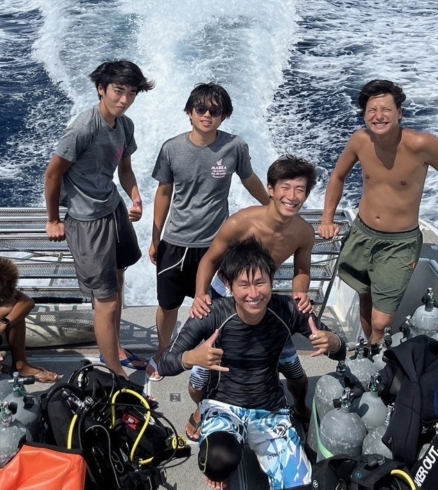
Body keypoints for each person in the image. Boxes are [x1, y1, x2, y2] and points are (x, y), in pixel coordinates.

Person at [156, 238, 346, 490]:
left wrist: (333, 342)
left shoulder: (289, 310)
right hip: (223, 407)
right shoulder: (212, 313)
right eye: (243, 285)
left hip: (270, 410)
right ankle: (219, 466)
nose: (254, 294)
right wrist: (191, 358)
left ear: (272, 279)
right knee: (218, 460)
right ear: (229, 285)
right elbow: (164, 364)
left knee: (299, 486)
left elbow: (341, 351)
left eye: (260, 282)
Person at [319, 79, 438, 348]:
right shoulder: (360, 140)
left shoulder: (423, 144)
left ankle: (375, 353)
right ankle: (371, 354)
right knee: (365, 297)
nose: (378, 116)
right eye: (372, 110)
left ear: (399, 113)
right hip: (362, 234)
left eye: (386, 109)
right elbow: (338, 176)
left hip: (399, 244)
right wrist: (327, 219)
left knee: (381, 322)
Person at [185, 155, 318, 439]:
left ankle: (300, 406)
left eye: (300, 189)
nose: (292, 196)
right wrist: (199, 295)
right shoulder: (241, 222)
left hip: (261, 296)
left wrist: (300, 292)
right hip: (223, 295)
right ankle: (201, 408)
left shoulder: (304, 232)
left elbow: (302, 270)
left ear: (306, 195)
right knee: (201, 372)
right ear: (270, 189)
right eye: (285, 187)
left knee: (293, 367)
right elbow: (209, 260)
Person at [146, 83, 270, 381]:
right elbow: (164, 193)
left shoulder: (235, 147)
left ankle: (212, 352)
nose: (207, 115)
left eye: (215, 111)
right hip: (176, 243)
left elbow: (249, 179)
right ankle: (163, 352)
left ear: (224, 116)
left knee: (214, 306)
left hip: (217, 245)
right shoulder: (172, 149)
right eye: (200, 109)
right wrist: (155, 239)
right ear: (189, 112)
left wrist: (272, 206)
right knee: (168, 305)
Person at [43, 60, 154, 378]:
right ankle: (115, 372)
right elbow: (52, 175)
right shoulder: (83, 128)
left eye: (131, 93)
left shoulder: (125, 126)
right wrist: (53, 220)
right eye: (118, 91)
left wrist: (135, 197)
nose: (125, 99)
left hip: (113, 209)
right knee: (106, 301)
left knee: (118, 282)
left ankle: (116, 348)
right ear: (101, 89)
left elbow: (125, 169)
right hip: (87, 222)